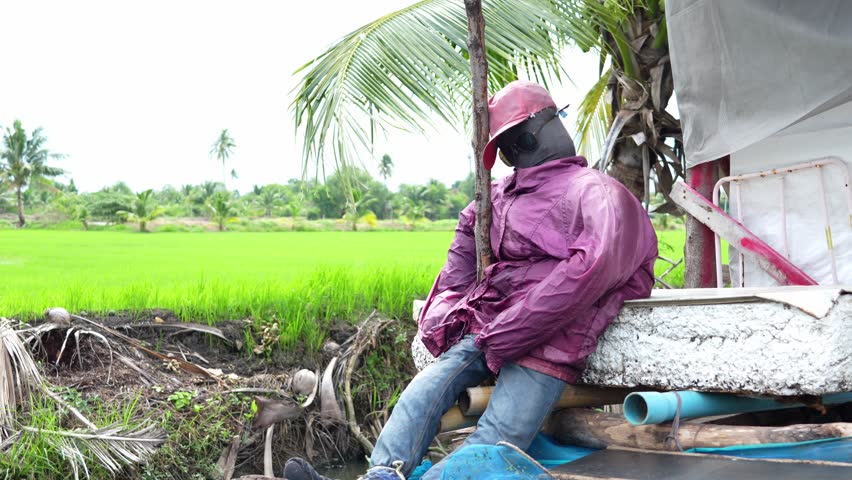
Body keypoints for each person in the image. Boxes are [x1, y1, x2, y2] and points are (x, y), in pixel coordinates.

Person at [284, 80, 658, 480]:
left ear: (537, 133)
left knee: (496, 439)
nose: (515, 154)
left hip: (553, 339)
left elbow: (592, 269)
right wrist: (447, 319)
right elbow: (455, 275)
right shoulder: (492, 200)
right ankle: (381, 475)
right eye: (508, 147)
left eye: (517, 143)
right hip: (489, 327)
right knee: (423, 393)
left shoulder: (599, 194)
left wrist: (512, 329)